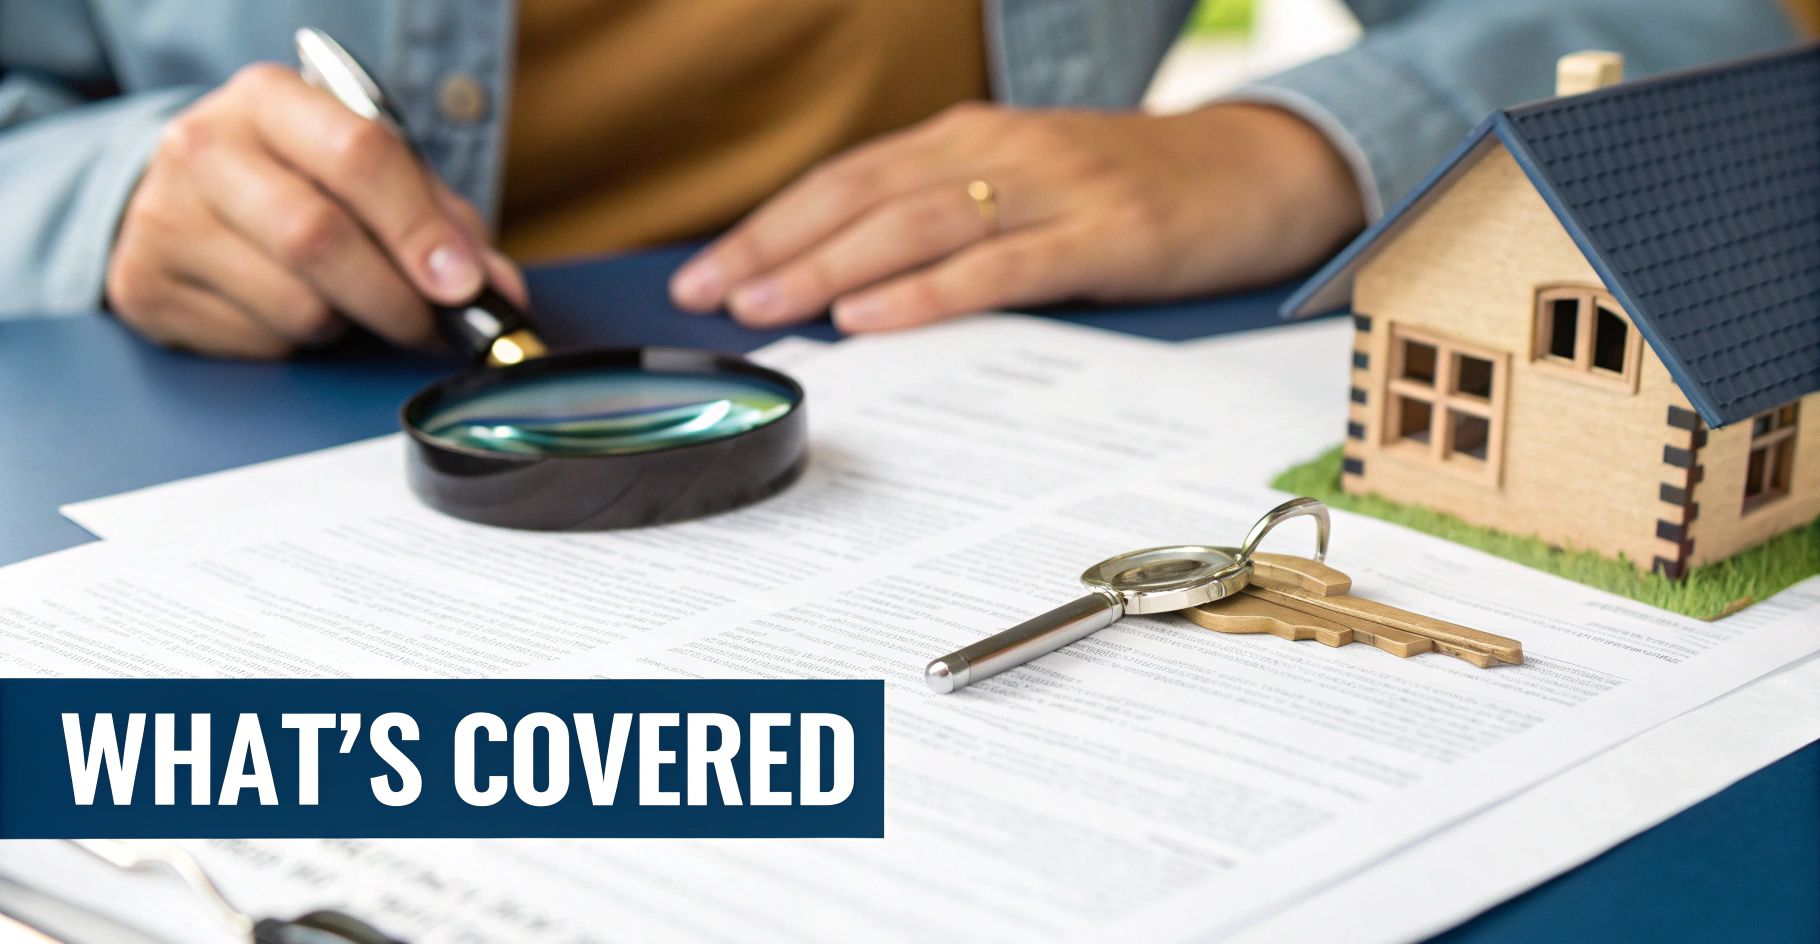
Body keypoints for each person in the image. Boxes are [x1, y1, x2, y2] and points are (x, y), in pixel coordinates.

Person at [0, 1, 1799, 358]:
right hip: (214, 426)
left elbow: (1696, 16)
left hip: (979, 397)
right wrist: (116, 197)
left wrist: (1296, 144)